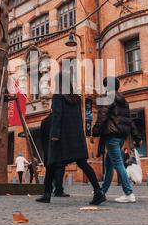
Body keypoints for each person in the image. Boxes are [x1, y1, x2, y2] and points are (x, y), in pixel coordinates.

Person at [36, 72, 106, 205]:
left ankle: (46, 194)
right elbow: (80, 118)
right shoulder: (76, 99)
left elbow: (57, 117)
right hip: (75, 137)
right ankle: (98, 192)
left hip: (61, 138)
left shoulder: (58, 97)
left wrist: (54, 136)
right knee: (83, 164)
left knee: (51, 164)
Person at [93, 77, 141, 204]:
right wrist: (137, 137)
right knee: (109, 165)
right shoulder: (124, 101)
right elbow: (130, 121)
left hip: (111, 136)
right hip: (121, 136)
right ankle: (102, 191)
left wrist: (95, 132)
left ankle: (129, 193)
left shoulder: (108, 97)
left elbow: (102, 116)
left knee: (118, 164)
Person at [40, 113, 69, 197]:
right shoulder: (60, 120)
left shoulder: (44, 121)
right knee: (59, 170)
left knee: (49, 171)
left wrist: (45, 150)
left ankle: (47, 191)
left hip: (48, 150)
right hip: (59, 149)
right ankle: (58, 190)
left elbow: (42, 138)